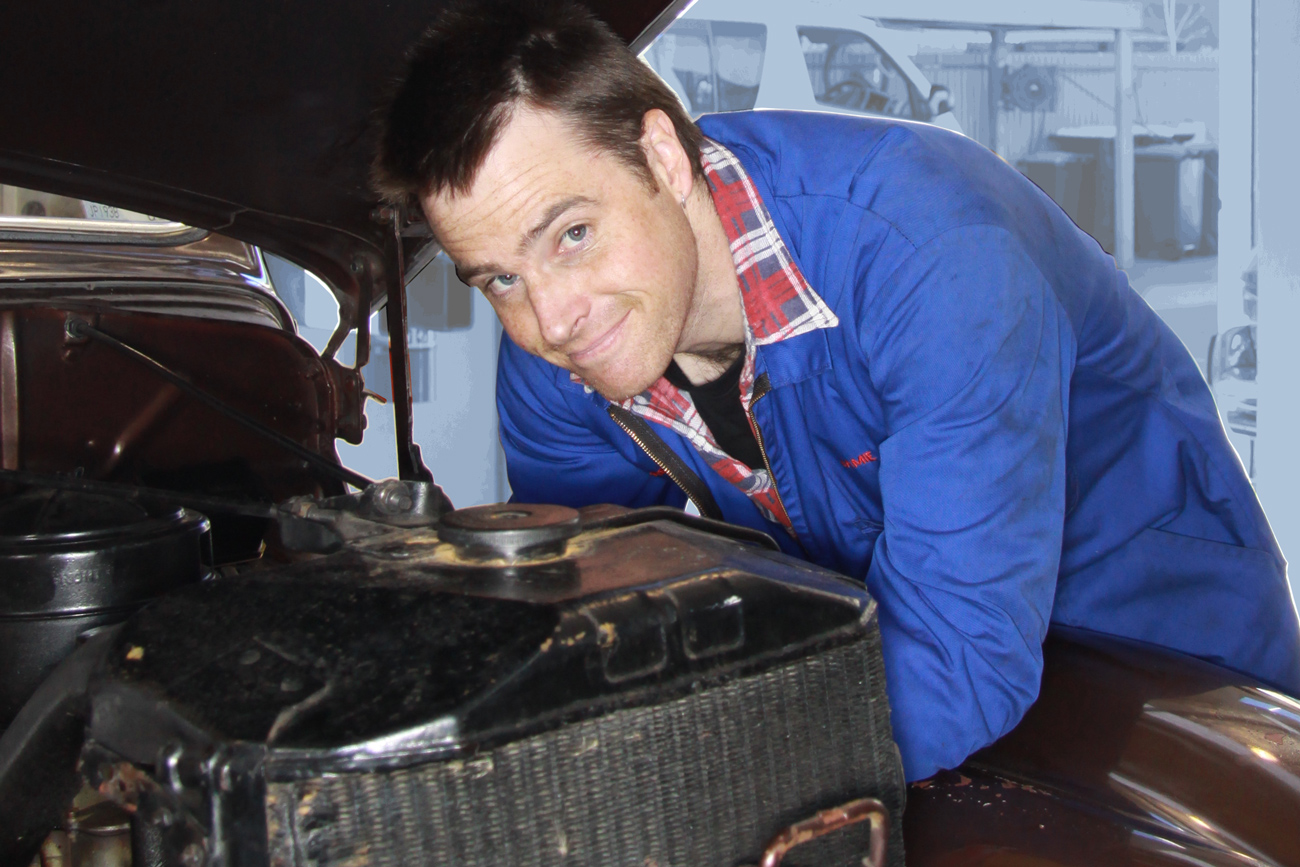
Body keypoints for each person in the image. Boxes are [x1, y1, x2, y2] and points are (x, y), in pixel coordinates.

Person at [373, 0, 1300, 781]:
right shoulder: (555, 362)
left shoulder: (929, 254)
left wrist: (678, 775)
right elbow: (607, 624)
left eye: (570, 233)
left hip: (1157, 651)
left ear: (661, 158)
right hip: (897, 683)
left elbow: (957, 662)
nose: (551, 317)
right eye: (497, 278)